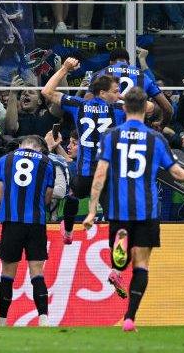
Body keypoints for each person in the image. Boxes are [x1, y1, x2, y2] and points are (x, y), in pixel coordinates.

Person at [83, 86, 184, 332]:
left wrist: (92, 210)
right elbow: (176, 173)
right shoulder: (156, 139)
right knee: (142, 264)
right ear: (146, 108)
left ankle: (119, 256)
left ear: (124, 108)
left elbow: (100, 174)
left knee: (121, 259)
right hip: (146, 210)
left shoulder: (111, 136)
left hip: (118, 209)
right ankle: (130, 317)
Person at [41, 57, 128, 293]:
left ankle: (68, 230)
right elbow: (149, 108)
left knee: (72, 194)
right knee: (118, 224)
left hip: (87, 171)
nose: (118, 94)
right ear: (102, 92)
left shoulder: (79, 105)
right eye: (115, 91)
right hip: (109, 175)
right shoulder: (119, 109)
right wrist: (128, 100)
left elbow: (47, 91)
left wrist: (65, 68)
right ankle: (117, 271)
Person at [0, 135, 55, 327]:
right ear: (39, 148)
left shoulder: (5, 160)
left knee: (7, 274)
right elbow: (47, 197)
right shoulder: (47, 163)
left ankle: (2, 322)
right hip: (36, 223)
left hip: (12, 221)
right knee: (37, 271)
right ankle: (43, 319)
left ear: (22, 145)